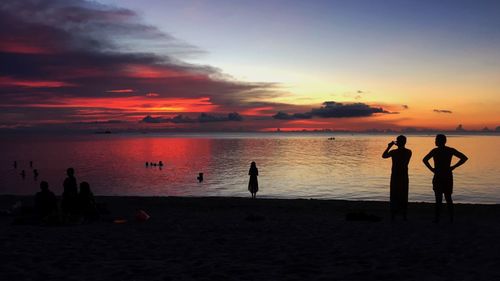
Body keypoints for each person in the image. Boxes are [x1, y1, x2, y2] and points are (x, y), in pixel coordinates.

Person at [423, 134, 468, 222]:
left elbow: (425, 160)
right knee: (448, 198)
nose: (435, 141)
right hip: (447, 174)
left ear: (440, 141)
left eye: (436, 139)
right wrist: (453, 167)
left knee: (439, 198)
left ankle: (438, 218)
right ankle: (450, 218)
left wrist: (432, 169)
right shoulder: (449, 150)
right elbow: (464, 158)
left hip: (439, 175)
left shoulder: (435, 151)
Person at [382, 135, 412, 221]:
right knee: (404, 195)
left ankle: (393, 215)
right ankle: (404, 215)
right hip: (404, 176)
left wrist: (389, 146)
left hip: (395, 176)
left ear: (398, 142)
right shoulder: (409, 152)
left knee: (394, 195)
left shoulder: (394, 152)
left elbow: (384, 156)